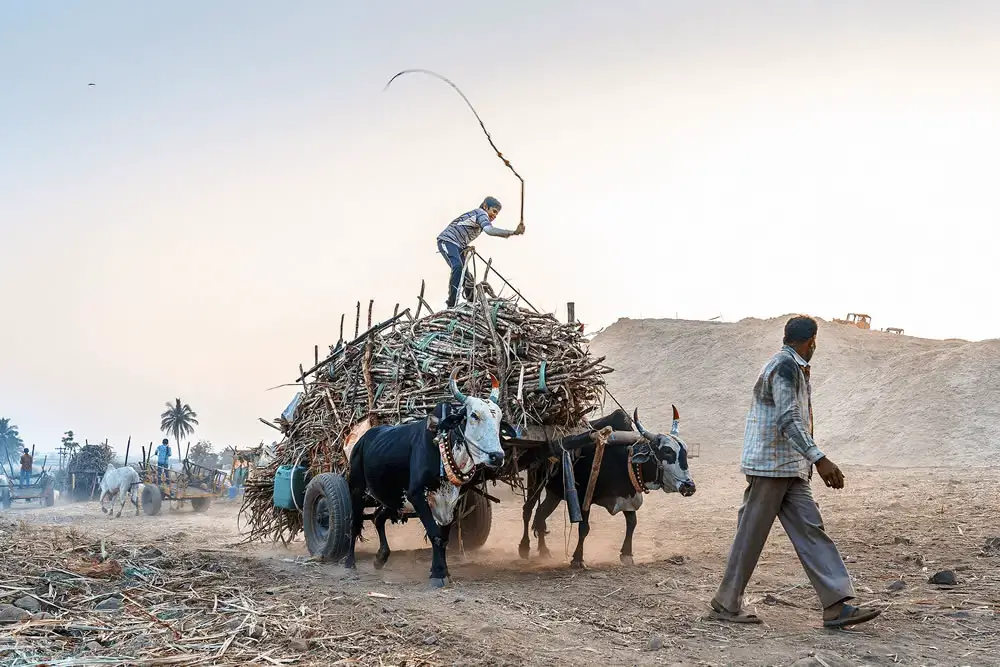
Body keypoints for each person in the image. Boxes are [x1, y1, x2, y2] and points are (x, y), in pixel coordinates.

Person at [709, 315, 882, 629]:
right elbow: (789, 420)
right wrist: (820, 458)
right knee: (751, 535)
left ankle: (837, 604)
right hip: (771, 467)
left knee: (811, 530)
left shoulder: (791, 366)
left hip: (789, 467)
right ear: (811, 340)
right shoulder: (786, 367)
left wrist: (809, 461)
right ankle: (725, 603)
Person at [436, 197, 524, 308]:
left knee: (468, 278)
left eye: (497, 214)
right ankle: (451, 304)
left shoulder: (479, 219)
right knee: (458, 267)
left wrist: (466, 246)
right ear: (485, 206)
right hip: (447, 241)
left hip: (459, 246)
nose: (495, 215)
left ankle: (473, 305)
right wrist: (513, 232)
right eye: (494, 211)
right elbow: (490, 230)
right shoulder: (481, 213)